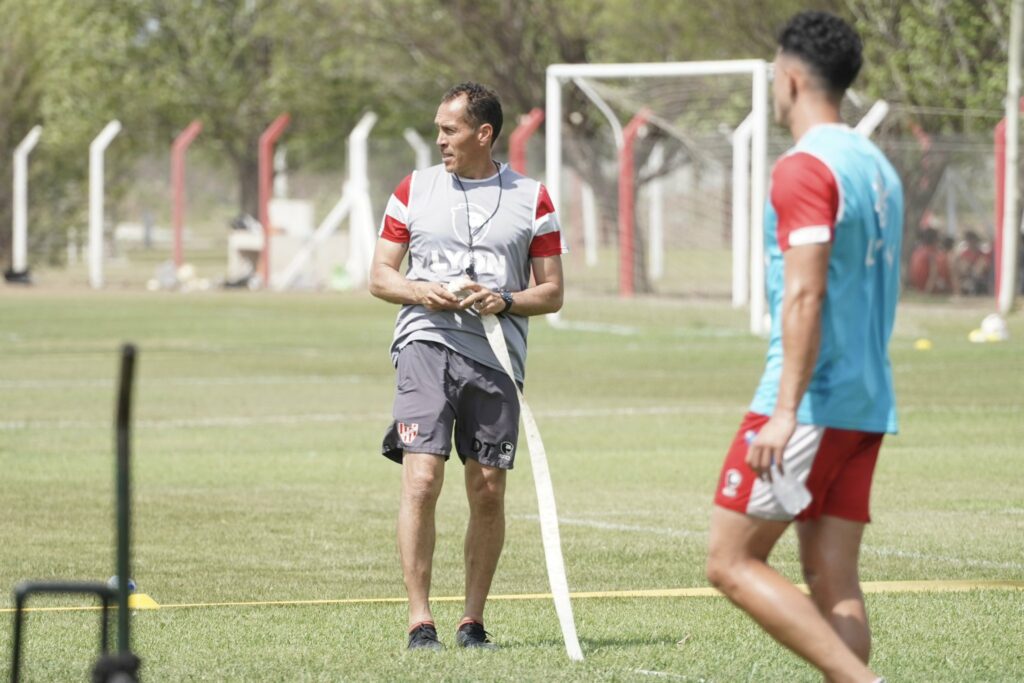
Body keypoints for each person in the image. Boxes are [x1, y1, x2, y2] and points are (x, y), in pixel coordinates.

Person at [705, 12, 902, 683]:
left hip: (811, 402)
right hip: (867, 400)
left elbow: (805, 295)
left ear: (789, 77)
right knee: (831, 574)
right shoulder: (878, 167)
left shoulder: (804, 168)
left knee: (730, 560)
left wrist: (784, 410)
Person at [368, 82, 566, 651]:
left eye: (449, 129)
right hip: (424, 342)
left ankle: (472, 621)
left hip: (497, 358)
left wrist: (503, 299)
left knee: (487, 491)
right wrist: (419, 290)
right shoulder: (413, 189)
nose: (440, 140)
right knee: (422, 477)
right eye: (437, 128)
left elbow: (551, 294)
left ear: (484, 133)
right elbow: (380, 276)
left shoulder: (534, 199)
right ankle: (419, 620)